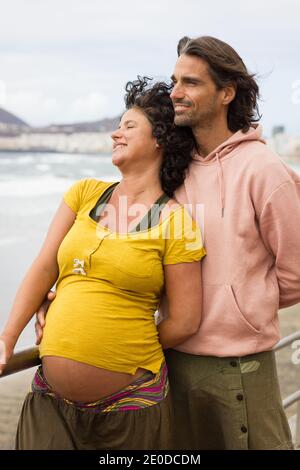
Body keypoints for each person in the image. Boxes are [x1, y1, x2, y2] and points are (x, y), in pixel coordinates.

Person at [34, 35, 299, 450]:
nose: (175, 92)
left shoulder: (263, 170)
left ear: (227, 93)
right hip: (168, 360)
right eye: (175, 81)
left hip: (238, 366)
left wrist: (240, 304)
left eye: (190, 83)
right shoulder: (174, 167)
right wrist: (67, 299)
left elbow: (296, 272)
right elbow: (126, 248)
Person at [0, 77, 206, 450]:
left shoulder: (178, 223)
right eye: (117, 126)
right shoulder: (84, 194)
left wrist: (117, 348)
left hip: (130, 404)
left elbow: (186, 320)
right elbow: (45, 265)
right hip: (50, 401)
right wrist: (7, 338)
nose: (115, 134)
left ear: (159, 139)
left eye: (128, 126)